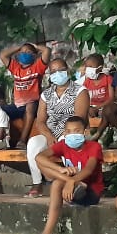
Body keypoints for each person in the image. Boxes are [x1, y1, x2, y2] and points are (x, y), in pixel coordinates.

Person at [26, 117, 105, 234]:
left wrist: (72, 180)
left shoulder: (94, 146)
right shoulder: (63, 145)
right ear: (64, 133)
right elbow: (39, 157)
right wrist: (61, 170)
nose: (72, 134)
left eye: (76, 131)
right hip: (71, 186)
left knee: (57, 184)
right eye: (68, 131)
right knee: (44, 166)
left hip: (90, 191)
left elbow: (89, 170)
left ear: (85, 132)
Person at [25, 59, 90, 198]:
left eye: (61, 70)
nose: (58, 74)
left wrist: (62, 134)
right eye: (53, 71)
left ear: (68, 70)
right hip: (50, 132)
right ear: (49, 74)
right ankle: (37, 183)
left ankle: (73, 181)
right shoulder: (46, 94)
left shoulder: (80, 90)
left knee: (66, 142)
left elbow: (79, 119)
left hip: (71, 131)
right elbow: (41, 121)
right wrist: (48, 136)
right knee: (33, 144)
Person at [0, 42, 52, 148]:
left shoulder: (38, 67)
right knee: (0, 110)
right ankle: (2, 140)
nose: (24, 53)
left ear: (34, 55)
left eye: (28, 52)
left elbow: (47, 51)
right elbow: (3, 55)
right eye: (22, 52)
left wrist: (35, 46)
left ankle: (22, 141)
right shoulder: (15, 68)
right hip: (17, 106)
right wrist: (18, 47)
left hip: (33, 106)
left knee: (30, 106)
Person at [79, 53, 116, 141]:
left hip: (104, 106)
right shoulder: (87, 81)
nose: (88, 69)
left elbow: (111, 98)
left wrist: (97, 108)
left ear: (99, 68)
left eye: (91, 66)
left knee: (106, 113)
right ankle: (88, 132)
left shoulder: (108, 79)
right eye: (87, 66)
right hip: (91, 107)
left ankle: (98, 133)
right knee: (82, 112)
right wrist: (89, 108)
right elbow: (84, 98)